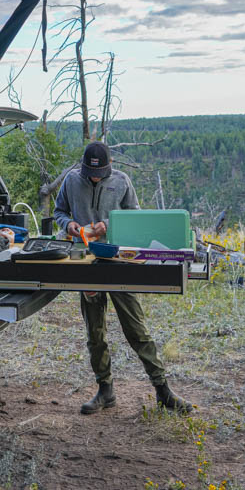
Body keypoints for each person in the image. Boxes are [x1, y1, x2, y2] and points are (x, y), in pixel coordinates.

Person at [53, 141, 193, 415]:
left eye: (100, 173)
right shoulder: (71, 180)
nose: (94, 177)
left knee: (136, 329)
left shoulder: (122, 181)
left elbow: (136, 217)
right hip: (87, 263)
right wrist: (68, 225)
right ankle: (105, 390)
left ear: (110, 167)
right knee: (95, 333)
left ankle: (163, 390)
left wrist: (111, 224)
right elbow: (59, 211)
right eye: (90, 173)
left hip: (119, 261)